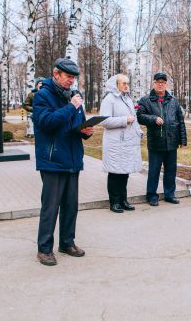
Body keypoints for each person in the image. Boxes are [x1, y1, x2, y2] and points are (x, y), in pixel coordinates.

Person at [31, 58, 94, 266]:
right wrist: (71, 107)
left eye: (74, 77)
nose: (71, 81)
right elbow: (46, 123)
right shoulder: (42, 96)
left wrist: (86, 131)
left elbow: (77, 123)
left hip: (73, 158)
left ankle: (67, 242)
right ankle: (44, 249)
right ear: (56, 74)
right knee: (51, 206)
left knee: (70, 205)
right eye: (68, 77)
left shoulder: (74, 97)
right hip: (52, 160)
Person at [137, 72, 187, 206]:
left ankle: (170, 194)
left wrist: (182, 139)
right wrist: (153, 119)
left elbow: (180, 120)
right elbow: (140, 116)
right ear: (153, 84)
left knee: (171, 170)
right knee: (154, 170)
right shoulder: (146, 100)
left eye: (163, 82)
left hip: (172, 141)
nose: (160, 84)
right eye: (158, 82)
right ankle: (152, 195)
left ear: (166, 84)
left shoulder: (173, 100)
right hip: (156, 142)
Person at [100, 74, 143, 213]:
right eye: (123, 83)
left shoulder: (127, 99)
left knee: (124, 173)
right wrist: (124, 120)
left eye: (127, 83)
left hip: (126, 143)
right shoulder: (109, 99)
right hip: (114, 144)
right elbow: (104, 121)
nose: (126, 85)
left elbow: (133, 119)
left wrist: (138, 131)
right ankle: (114, 202)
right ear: (116, 84)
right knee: (114, 173)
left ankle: (123, 200)